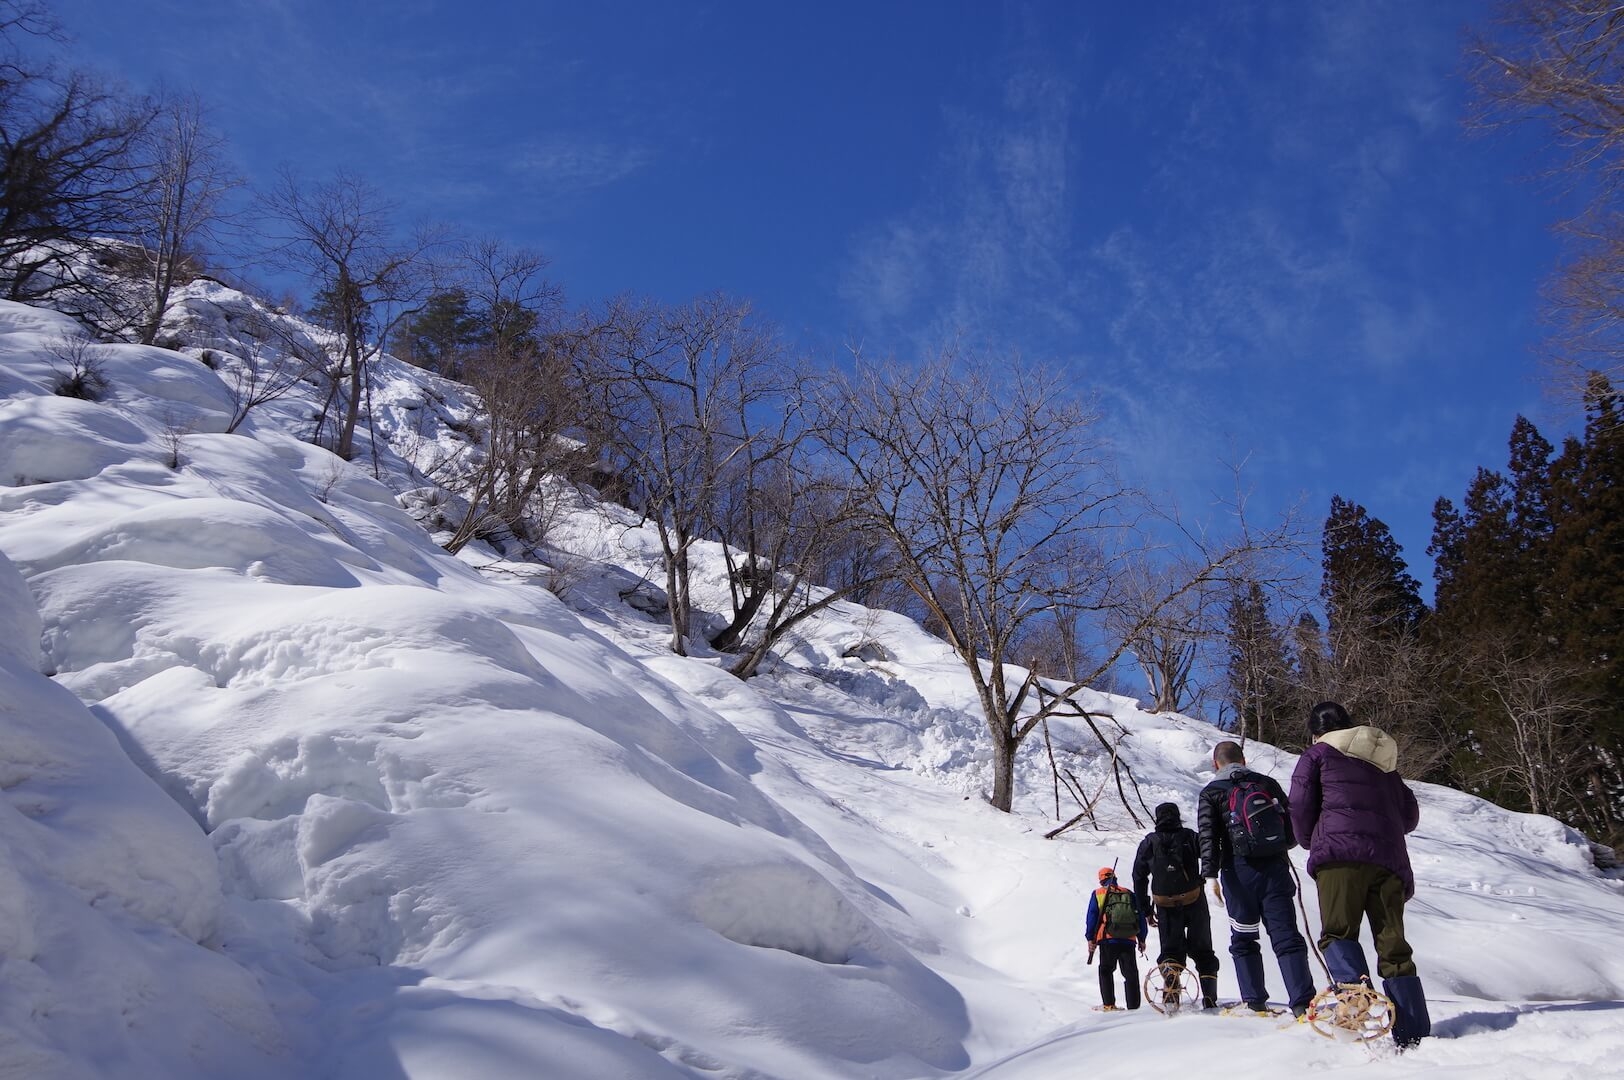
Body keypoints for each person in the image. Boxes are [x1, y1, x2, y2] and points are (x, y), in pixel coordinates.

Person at [1290, 700, 1430, 1050]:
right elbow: (1409, 816)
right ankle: (1414, 1036)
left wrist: (1312, 840)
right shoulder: (1383, 763)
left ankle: (1355, 1006)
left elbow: (1300, 803)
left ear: (1316, 732)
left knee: (1338, 932)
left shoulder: (1318, 754)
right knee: (1394, 946)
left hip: (1339, 857)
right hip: (1389, 861)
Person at [1196, 740, 1316, 1017]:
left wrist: (1210, 875)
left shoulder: (1212, 792)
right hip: (1275, 869)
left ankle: (1254, 1001)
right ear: (1244, 759)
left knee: (1244, 939)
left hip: (1238, 875)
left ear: (1216, 763)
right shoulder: (1267, 783)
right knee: (1286, 936)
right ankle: (1302, 1002)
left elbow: (1208, 836)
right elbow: (1291, 827)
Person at [1133, 801, 1221, 1009]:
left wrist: (1146, 909)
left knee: (1171, 950)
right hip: (1194, 898)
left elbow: (1139, 877)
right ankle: (1209, 997)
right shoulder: (1190, 837)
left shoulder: (1149, 842)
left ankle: (1172, 984)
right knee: (1203, 950)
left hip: (1165, 904)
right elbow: (1211, 853)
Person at [1085, 865, 1148, 1011]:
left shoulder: (1098, 893)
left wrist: (1090, 938)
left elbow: (1092, 917)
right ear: (1115, 878)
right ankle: (1134, 1007)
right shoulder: (1128, 893)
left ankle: (1109, 1004)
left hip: (1108, 938)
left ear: (1101, 881)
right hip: (1129, 939)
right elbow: (1140, 916)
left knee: (1106, 970)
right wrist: (1142, 938)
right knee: (1130, 973)